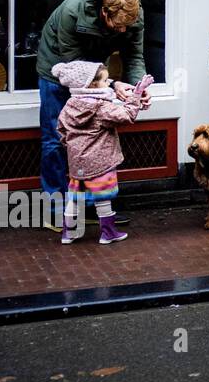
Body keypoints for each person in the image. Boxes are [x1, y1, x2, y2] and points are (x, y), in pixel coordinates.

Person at [35, 0, 149, 229]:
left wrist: (137, 88)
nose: (122, 31)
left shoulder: (133, 16)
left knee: (93, 139)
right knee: (55, 139)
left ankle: (89, 206)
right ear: (104, 13)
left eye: (126, 27)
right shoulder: (72, 12)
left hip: (96, 70)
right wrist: (111, 84)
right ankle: (54, 209)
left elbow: (134, 57)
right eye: (117, 26)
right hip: (58, 69)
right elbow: (75, 68)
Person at [53, 60, 148, 246]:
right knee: (103, 197)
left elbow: (61, 130)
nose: (108, 84)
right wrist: (136, 94)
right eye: (105, 81)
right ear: (92, 85)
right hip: (101, 162)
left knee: (75, 196)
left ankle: (69, 233)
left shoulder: (70, 104)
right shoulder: (100, 107)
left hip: (77, 162)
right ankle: (108, 232)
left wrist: (72, 147)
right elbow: (127, 115)